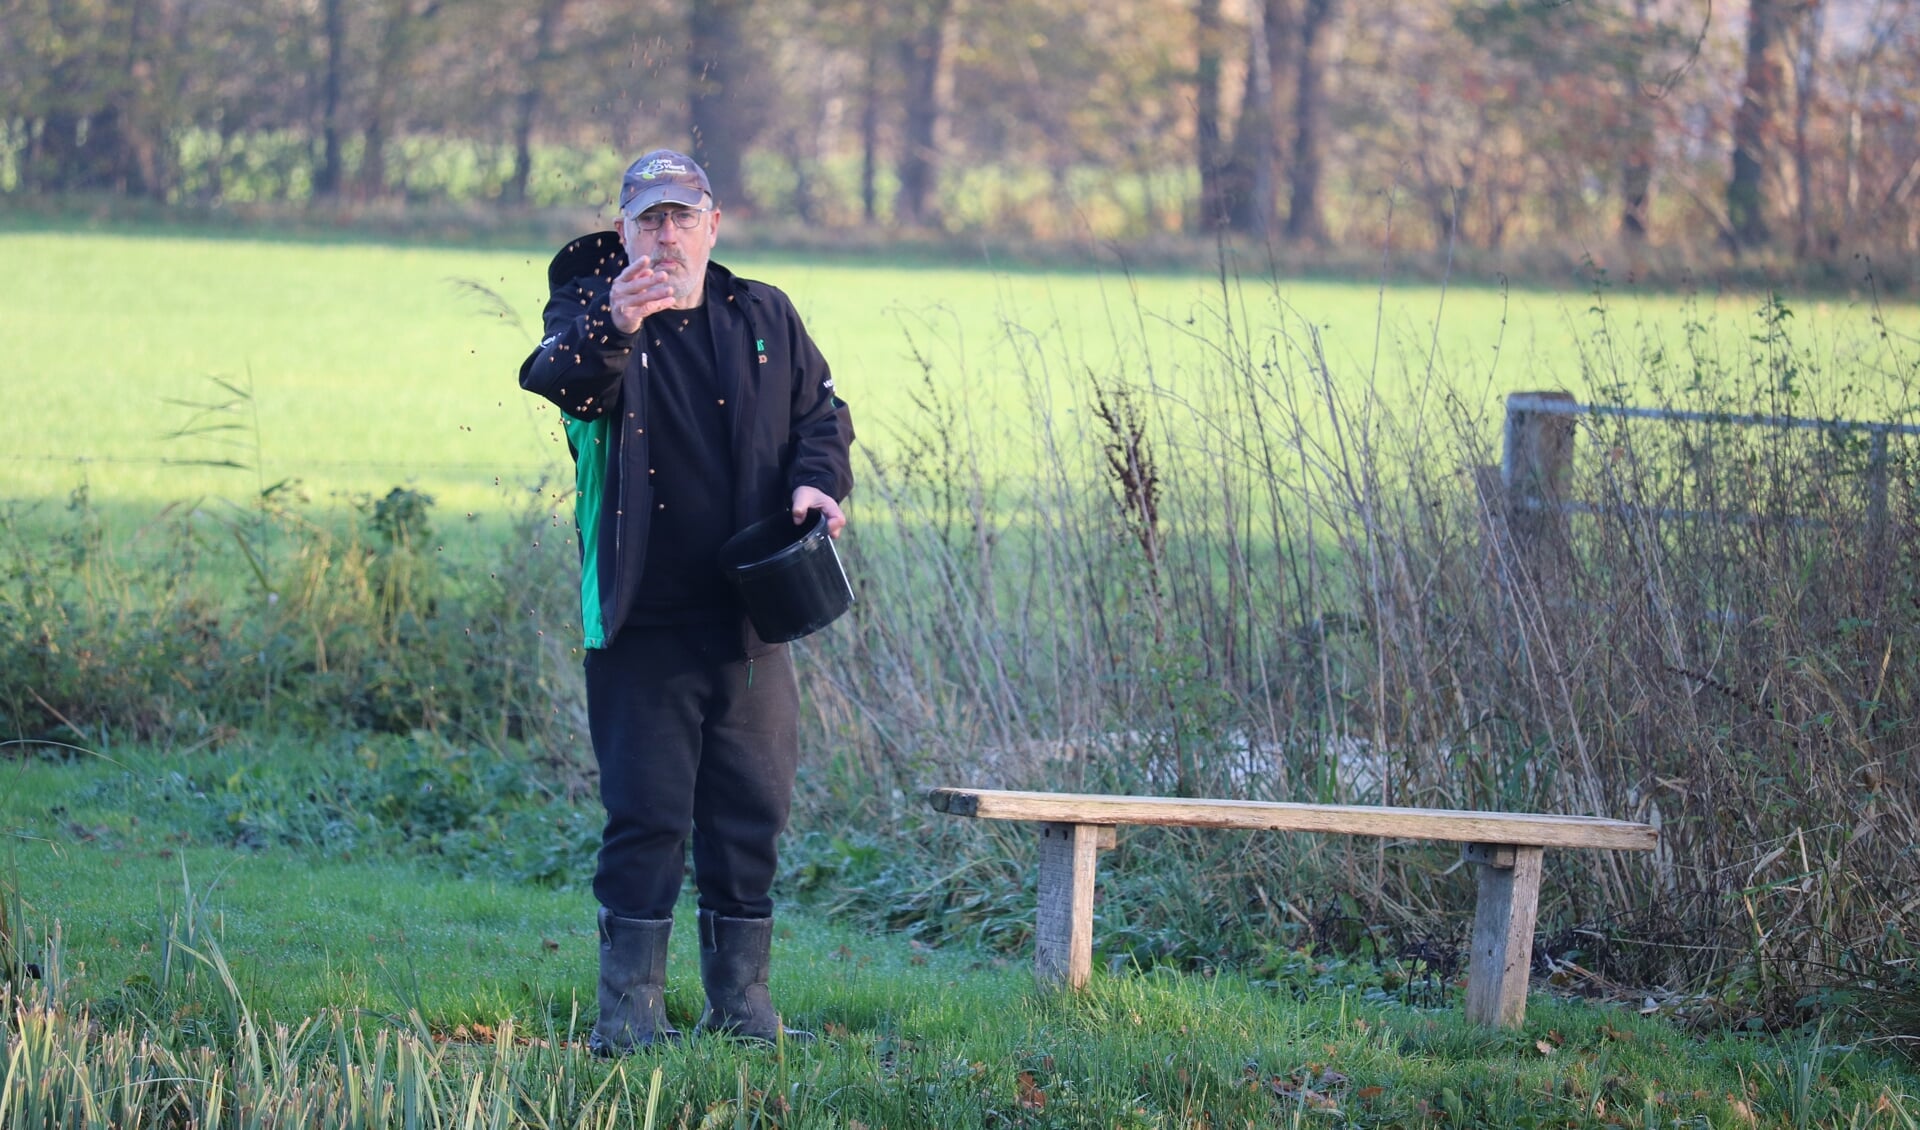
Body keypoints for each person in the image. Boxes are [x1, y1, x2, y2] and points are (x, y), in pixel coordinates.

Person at [517, 149, 853, 1054]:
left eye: (681, 217)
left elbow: (821, 415)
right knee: (648, 818)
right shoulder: (594, 307)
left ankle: (741, 1008)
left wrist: (821, 485)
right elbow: (558, 377)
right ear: (623, 230)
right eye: (648, 219)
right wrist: (614, 324)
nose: (665, 235)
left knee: (751, 817)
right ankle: (628, 1018)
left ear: (715, 225)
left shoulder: (764, 315)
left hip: (751, 619)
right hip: (640, 621)